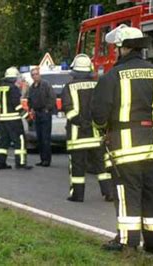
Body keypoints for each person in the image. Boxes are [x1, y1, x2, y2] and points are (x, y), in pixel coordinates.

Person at [91, 24, 153, 253]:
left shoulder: (112, 77)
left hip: (126, 148)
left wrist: (103, 130)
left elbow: (99, 115)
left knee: (127, 193)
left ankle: (127, 242)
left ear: (122, 48)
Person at [61, 54, 113, 202]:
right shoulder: (97, 85)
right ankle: (108, 193)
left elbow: (68, 109)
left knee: (77, 167)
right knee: (102, 166)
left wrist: (81, 123)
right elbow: (102, 108)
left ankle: (77, 195)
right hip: (96, 135)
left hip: (77, 136)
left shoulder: (68, 87)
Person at [0, 67, 32, 170]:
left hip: (3, 120)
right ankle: (20, 163)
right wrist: (27, 117)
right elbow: (17, 106)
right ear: (14, 78)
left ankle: (0, 163)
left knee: (3, 142)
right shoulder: (14, 89)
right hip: (14, 120)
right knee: (20, 141)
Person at [27, 67, 56, 167]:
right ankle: (42, 159)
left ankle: (47, 160)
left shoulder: (46, 85)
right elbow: (29, 99)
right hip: (37, 114)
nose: (35, 76)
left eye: (36, 74)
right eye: (33, 74)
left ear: (39, 75)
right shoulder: (31, 88)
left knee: (45, 138)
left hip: (45, 113)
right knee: (39, 138)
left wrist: (48, 109)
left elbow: (52, 97)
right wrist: (31, 109)